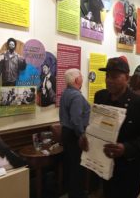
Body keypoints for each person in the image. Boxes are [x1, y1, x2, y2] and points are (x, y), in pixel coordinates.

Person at [86, 56, 140, 198]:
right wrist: (86, 136)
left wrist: (126, 148)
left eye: (114, 76)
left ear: (127, 78)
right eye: (107, 76)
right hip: (100, 164)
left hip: (127, 171)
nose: (108, 80)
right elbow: (94, 125)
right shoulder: (100, 96)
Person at [59, 68, 90, 198]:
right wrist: (82, 135)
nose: (83, 78)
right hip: (74, 135)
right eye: (81, 76)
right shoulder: (76, 96)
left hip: (66, 133)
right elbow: (76, 119)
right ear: (77, 80)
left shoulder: (66, 93)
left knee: (70, 166)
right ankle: (77, 194)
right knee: (77, 168)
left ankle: (72, 193)